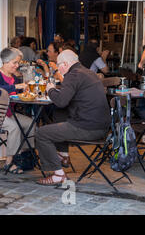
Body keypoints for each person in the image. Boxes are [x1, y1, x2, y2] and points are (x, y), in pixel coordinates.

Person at [35, 50, 111, 186]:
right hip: (102, 127)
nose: (58, 69)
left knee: (41, 133)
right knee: (60, 114)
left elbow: (61, 101)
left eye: (58, 66)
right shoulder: (88, 73)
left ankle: (58, 175)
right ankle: (63, 156)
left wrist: (50, 89)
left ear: (64, 64)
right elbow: (65, 101)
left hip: (88, 128)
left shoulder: (73, 75)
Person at [0, 47, 34, 174]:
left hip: (8, 113)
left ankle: (24, 156)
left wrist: (24, 90)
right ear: (6, 61)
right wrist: (15, 86)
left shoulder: (14, 77)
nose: (17, 65)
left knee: (30, 124)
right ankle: (10, 162)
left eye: (18, 62)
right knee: (14, 127)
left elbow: (16, 93)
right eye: (15, 62)